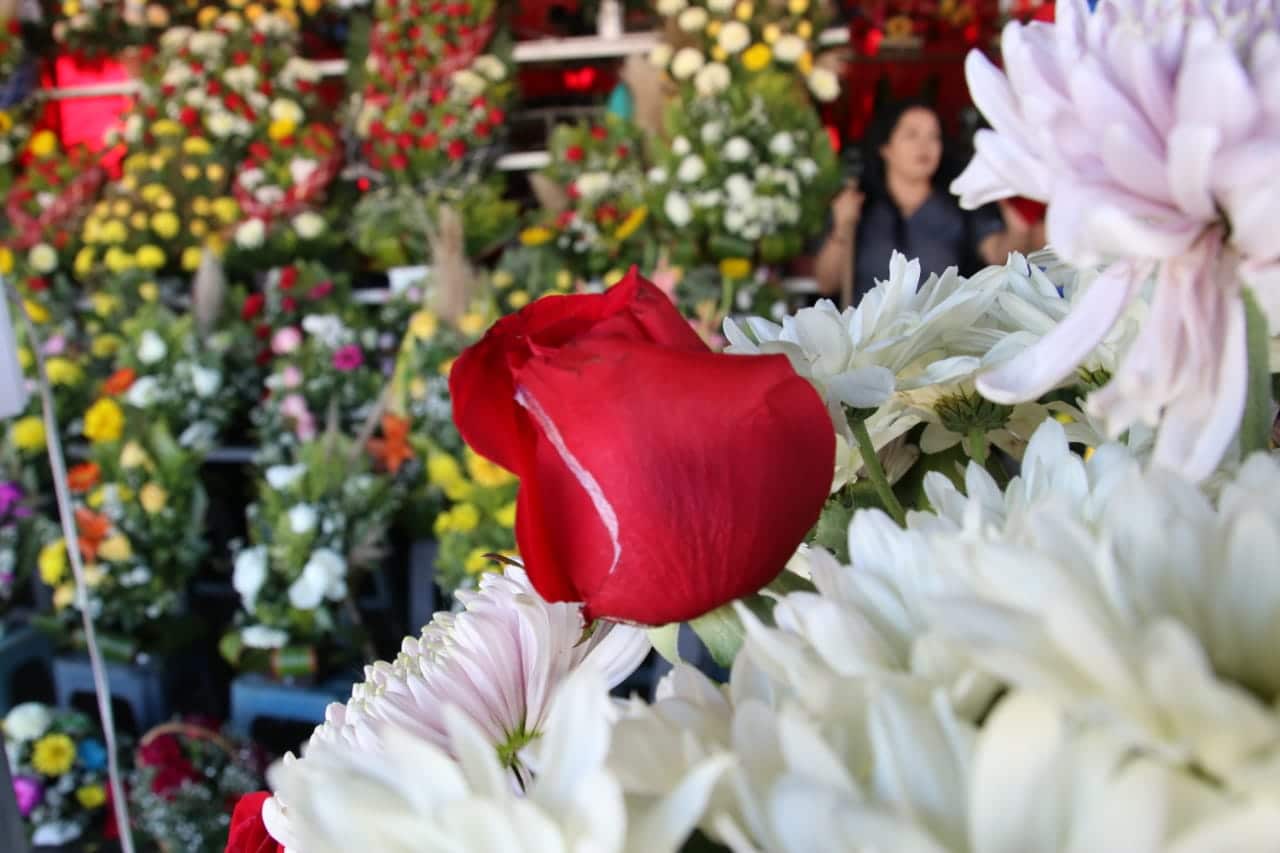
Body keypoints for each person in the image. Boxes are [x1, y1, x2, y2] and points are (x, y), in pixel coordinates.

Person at [814, 99, 1043, 304]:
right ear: (885, 147)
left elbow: (997, 255)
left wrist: (1017, 227)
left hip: (942, 340)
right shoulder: (859, 204)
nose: (924, 146)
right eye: (912, 135)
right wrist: (842, 226)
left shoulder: (959, 202)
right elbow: (826, 282)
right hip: (869, 342)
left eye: (933, 136)